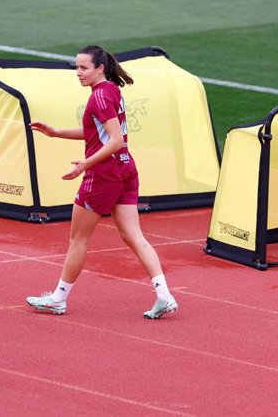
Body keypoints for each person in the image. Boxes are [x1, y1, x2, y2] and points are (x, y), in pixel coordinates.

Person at [25, 45, 178, 319]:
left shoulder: (98, 97)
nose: (78, 73)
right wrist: (57, 132)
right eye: (77, 68)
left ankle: (58, 298)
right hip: (125, 170)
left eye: (84, 68)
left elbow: (115, 139)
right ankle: (164, 295)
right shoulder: (111, 90)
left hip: (104, 175)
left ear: (100, 68)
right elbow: (98, 134)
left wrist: (86, 164)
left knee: (78, 239)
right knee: (134, 236)